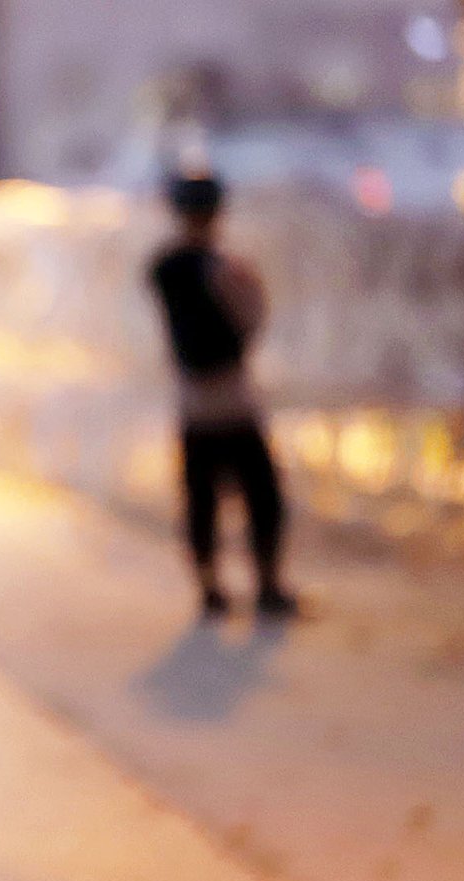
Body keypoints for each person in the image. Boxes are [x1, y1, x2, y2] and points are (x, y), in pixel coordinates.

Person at [149, 173, 298, 617]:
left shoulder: (165, 268)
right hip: (234, 400)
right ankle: (267, 585)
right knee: (262, 494)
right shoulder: (226, 268)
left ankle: (210, 587)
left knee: (201, 499)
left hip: (193, 404)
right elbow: (253, 317)